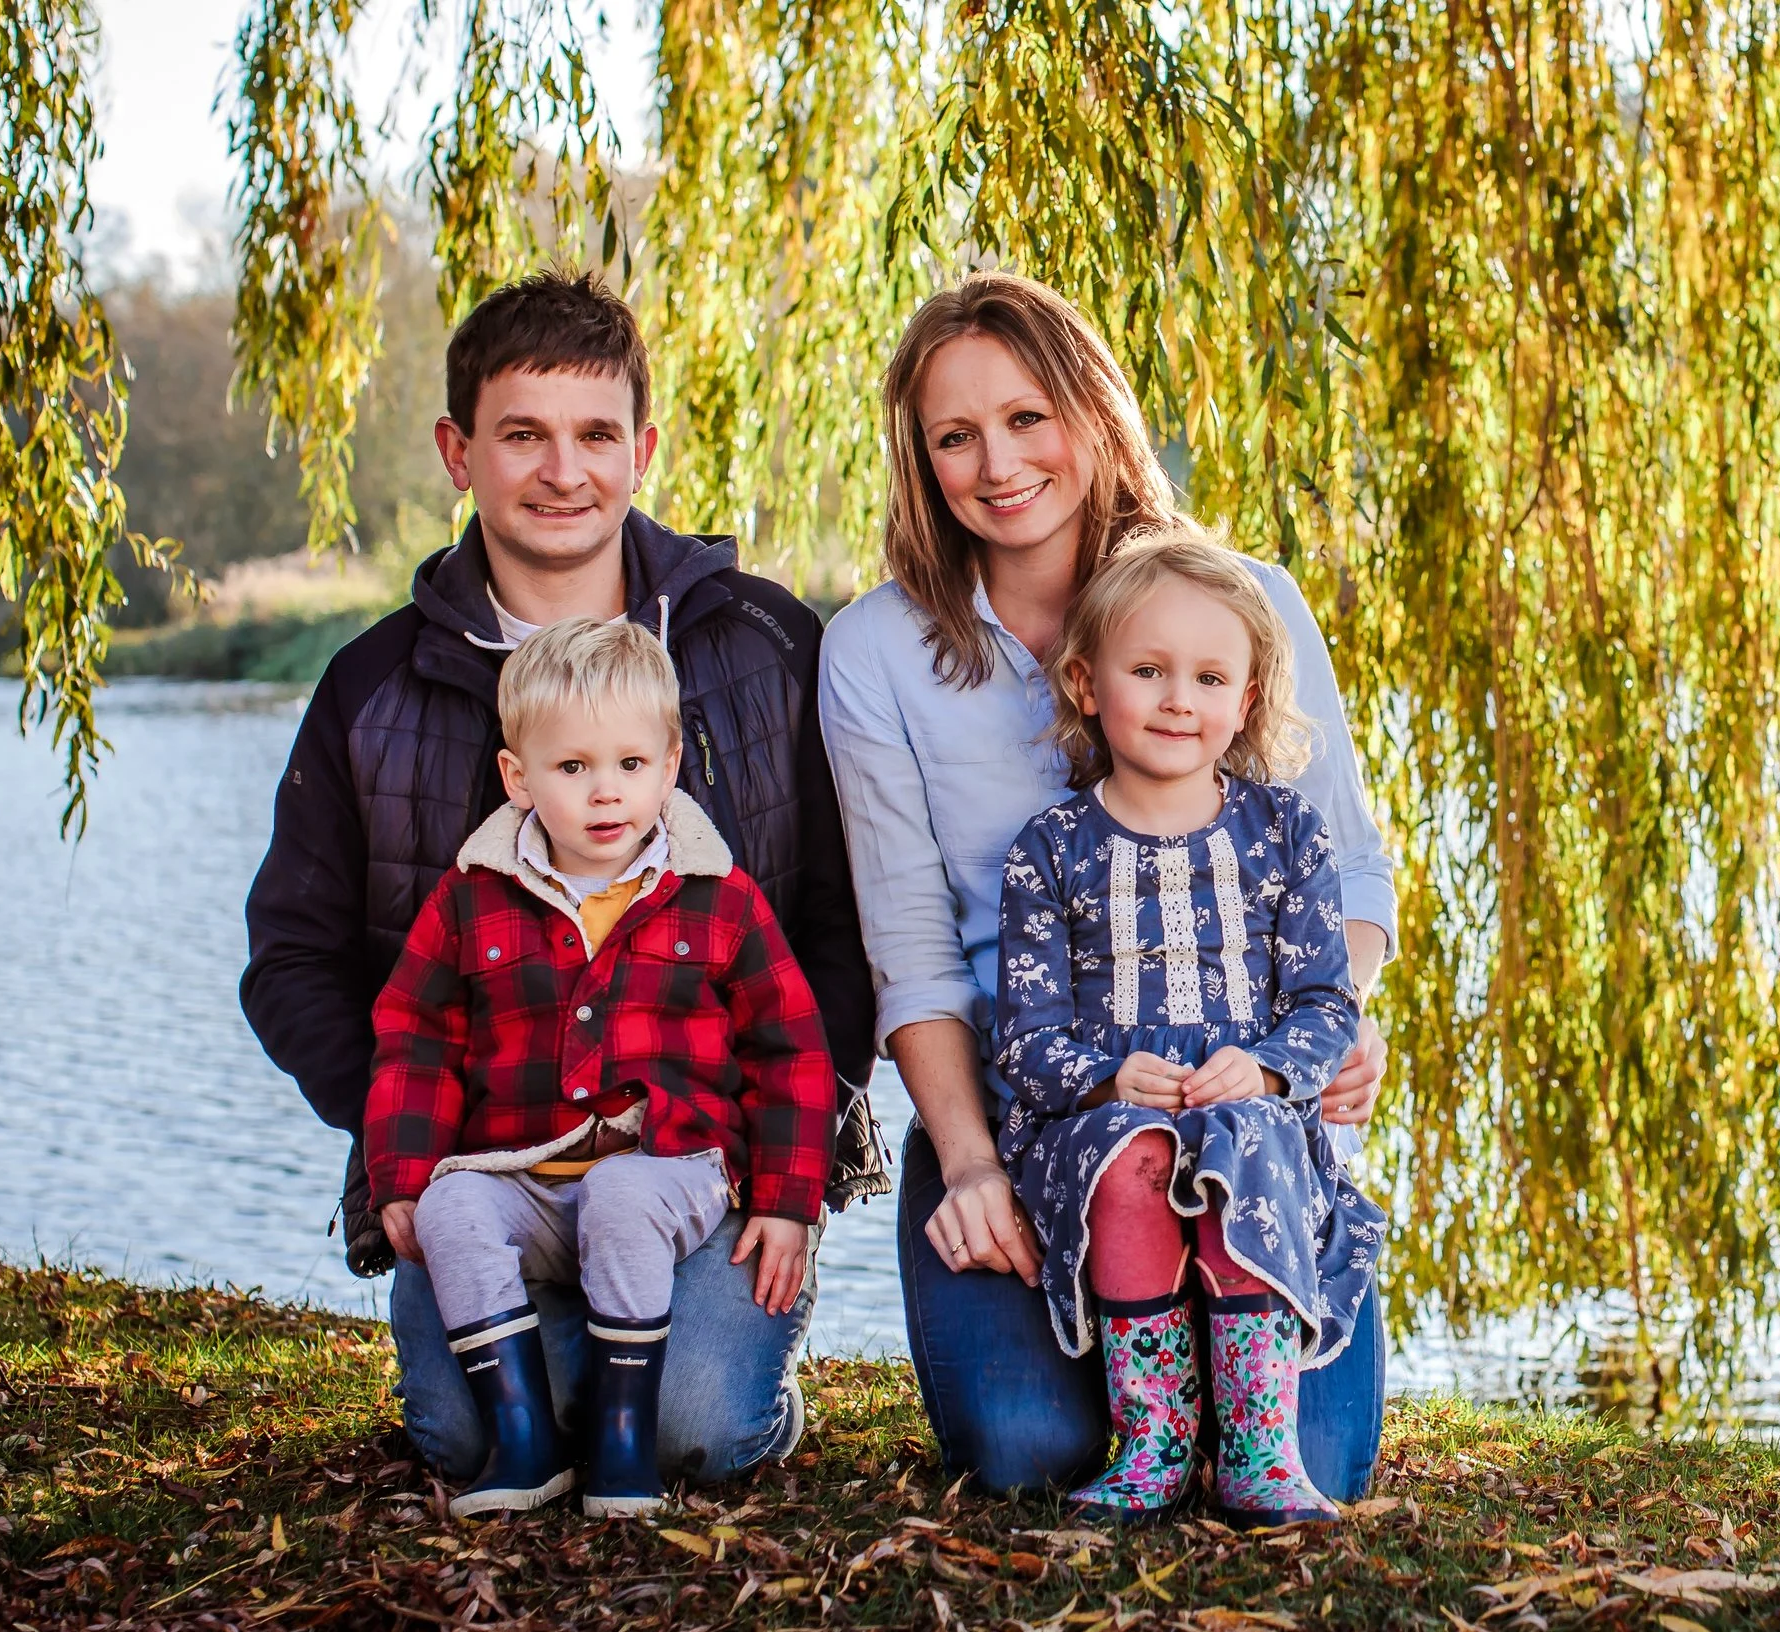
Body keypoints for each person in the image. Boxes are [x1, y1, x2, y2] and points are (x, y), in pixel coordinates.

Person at [243, 269, 879, 1487]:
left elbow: (842, 929)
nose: (561, 470)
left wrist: (777, 1156)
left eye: (595, 435)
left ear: (641, 449)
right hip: (480, 1169)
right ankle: (556, 1353)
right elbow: (290, 959)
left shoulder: (762, 646)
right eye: (521, 434)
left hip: (706, 1155)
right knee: (468, 1439)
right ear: (457, 449)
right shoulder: (373, 687)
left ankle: (722, 1371)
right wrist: (405, 1156)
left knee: (697, 1430)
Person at [819, 271, 1396, 1499]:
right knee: (1032, 1451)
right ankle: (1075, 1329)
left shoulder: (1243, 605)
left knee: (1324, 1465)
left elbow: (1342, 869)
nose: (999, 462)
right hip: (1030, 1107)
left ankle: (1231, 1379)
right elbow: (913, 949)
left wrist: (1322, 1032)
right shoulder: (874, 653)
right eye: (955, 435)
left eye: (1029, 416)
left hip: (1247, 1107)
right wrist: (970, 1162)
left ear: (1092, 413)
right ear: (921, 459)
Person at [366, 619, 836, 1518]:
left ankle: (624, 1445)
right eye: (572, 768)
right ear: (519, 778)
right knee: (453, 1204)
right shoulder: (474, 894)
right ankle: (524, 1441)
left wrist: (786, 1201)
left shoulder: (715, 894)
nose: (604, 792)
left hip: (673, 1172)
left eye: (628, 764)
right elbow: (416, 1035)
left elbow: (791, 1051)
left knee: (624, 1201)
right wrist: (403, 1172)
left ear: (668, 767)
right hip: (525, 1176)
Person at [994, 533, 1385, 1525]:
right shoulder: (1049, 849)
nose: (1178, 699)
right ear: (1086, 682)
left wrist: (1261, 1069)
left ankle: (1257, 1443)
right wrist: (1103, 1078)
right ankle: (1155, 1435)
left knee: (1246, 1144)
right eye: (1148, 670)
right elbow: (1026, 1035)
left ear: (1246, 698)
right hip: (1105, 1117)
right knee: (1130, 1160)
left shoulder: (1285, 830)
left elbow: (1325, 1004)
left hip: (1244, 1109)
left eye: (1209, 676)